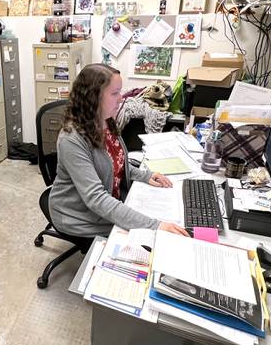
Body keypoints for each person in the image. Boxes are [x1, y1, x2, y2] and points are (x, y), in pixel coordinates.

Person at [49, 63, 190, 238]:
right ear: (93, 97)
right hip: (78, 217)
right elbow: (96, 198)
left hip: (105, 203)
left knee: (156, 221)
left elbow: (115, 162)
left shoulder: (106, 120)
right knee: (146, 236)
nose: (121, 98)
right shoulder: (72, 139)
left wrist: (144, 175)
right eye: (115, 93)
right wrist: (155, 226)